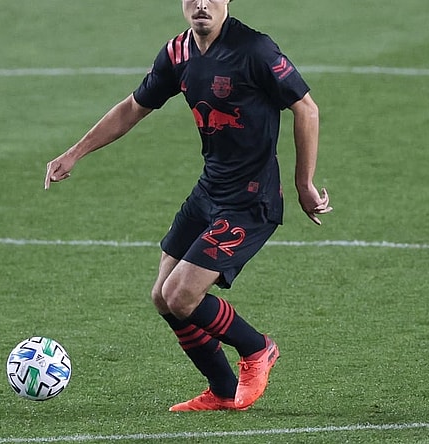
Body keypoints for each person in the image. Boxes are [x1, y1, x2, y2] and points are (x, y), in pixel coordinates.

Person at [44, 0, 332, 411]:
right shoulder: (177, 53)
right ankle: (223, 389)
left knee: (181, 296)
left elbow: (306, 107)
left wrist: (303, 183)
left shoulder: (256, 50)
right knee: (163, 296)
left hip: (250, 200)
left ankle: (258, 348)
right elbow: (132, 107)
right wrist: (75, 153)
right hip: (208, 191)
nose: (201, 4)